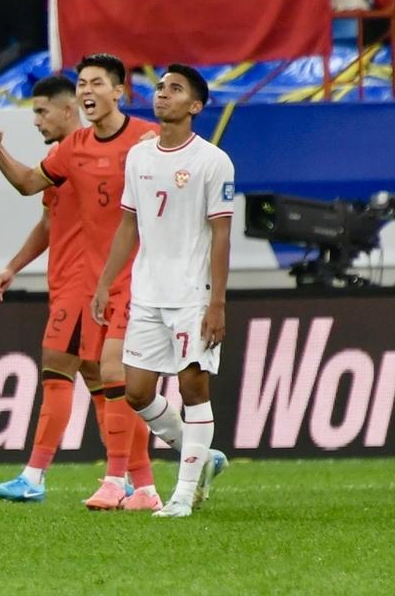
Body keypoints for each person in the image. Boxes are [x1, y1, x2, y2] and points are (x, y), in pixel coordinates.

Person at [0, 53, 160, 511]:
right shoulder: (71, 151)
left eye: (96, 83)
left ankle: (51, 475)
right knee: (111, 383)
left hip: (133, 280)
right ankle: (148, 477)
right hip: (95, 285)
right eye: (82, 83)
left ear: (118, 91)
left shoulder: (147, 140)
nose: (87, 91)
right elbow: (30, 189)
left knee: (96, 374)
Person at [92, 64, 233, 518]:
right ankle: (202, 457)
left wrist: (217, 303)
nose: (162, 94)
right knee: (136, 391)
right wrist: (106, 282)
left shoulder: (212, 161)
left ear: (195, 106)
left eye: (175, 89)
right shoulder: (140, 157)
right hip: (148, 292)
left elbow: (222, 234)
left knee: (193, 387)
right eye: (159, 87)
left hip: (192, 294)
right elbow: (128, 224)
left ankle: (183, 495)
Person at [0, 75, 109, 502]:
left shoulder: (89, 155)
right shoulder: (60, 158)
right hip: (68, 281)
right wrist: (13, 267)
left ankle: (34, 477)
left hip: (83, 283)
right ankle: (170, 456)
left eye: (41, 111)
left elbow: (23, 183)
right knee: (99, 377)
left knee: (57, 368)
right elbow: (49, 222)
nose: (36, 120)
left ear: (68, 109)